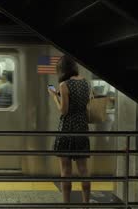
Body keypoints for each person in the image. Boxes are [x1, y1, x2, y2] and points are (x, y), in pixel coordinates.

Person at [48, 55, 91, 204]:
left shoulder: (63, 85)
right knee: (84, 171)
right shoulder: (85, 83)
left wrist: (54, 97)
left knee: (66, 172)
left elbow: (63, 110)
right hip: (82, 128)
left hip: (67, 129)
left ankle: (66, 205)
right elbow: (84, 105)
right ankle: (86, 204)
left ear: (62, 69)